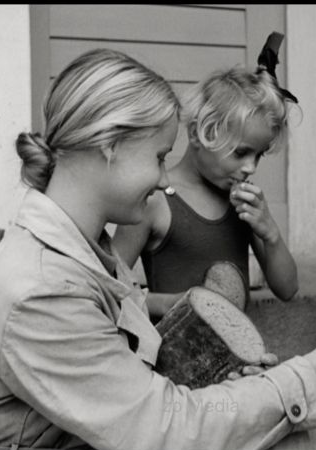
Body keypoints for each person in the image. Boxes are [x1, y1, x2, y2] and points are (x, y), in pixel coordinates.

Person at [0, 47, 316, 450]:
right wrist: (306, 376)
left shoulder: (81, 253)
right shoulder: (42, 291)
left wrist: (239, 385)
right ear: (109, 147)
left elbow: (133, 381)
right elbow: (163, 429)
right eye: (159, 157)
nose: (164, 179)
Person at [112, 32, 299, 321]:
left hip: (238, 360)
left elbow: (287, 289)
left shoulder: (244, 206)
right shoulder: (156, 201)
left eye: (259, 155)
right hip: (172, 360)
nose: (251, 167)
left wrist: (270, 233)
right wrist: (171, 303)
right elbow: (110, 293)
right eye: (241, 153)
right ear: (200, 134)